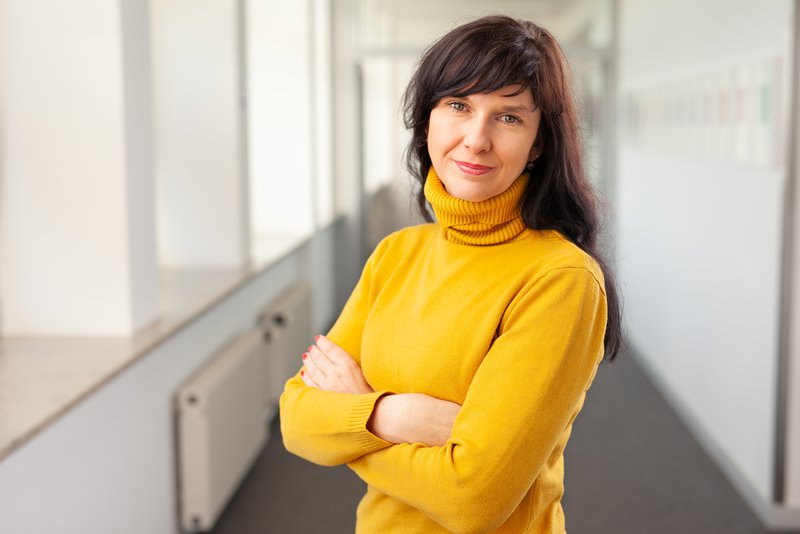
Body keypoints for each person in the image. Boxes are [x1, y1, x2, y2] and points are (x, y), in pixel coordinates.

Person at [279, 14, 622, 533]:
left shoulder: (561, 279)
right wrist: (391, 416)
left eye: (509, 117)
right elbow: (295, 419)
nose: (476, 139)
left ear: (539, 144)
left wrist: (348, 422)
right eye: (458, 106)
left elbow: (472, 498)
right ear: (427, 121)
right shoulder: (396, 254)